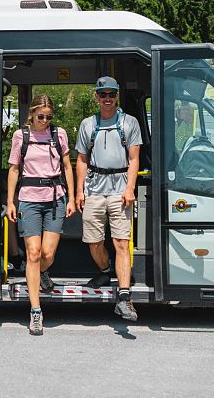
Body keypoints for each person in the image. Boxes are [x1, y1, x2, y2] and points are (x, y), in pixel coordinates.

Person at [6, 94, 75, 336]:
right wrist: (10, 202)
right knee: (33, 253)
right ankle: (36, 311)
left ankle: (42, 272)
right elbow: (14, 169)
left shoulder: (59, 134)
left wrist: (73, 198)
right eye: (40, 116)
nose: (45, 120)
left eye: (49, 117)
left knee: (47, 254)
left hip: (56, 199)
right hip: (29, 200)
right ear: (32, 114)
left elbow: (68, 167)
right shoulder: (20, 136)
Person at [76, 76, 141, 322]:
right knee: (94, 242)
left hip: (120, 188)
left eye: (111, 94)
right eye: (102, 94)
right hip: (94, 188)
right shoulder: (87, 124)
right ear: (96, 96)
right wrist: (79, 192)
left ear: (117, 96)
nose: (107, 99)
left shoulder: (129, 123)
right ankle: (105, 271)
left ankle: (123, 298)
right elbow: (82, 160)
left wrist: (130, 188)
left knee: (121, 242)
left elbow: (134, 159)